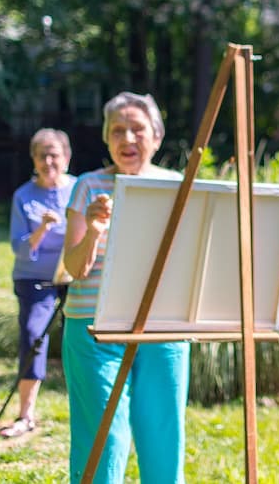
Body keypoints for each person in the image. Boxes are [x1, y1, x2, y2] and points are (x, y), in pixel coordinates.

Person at [62, 92, 190, 483]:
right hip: (92, 328)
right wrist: (94, 231)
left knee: (163, 437)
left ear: (156, 136)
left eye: (137, 129)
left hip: (163, 328)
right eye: (118, 130)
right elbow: (73, 268)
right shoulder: (88, 186)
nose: (127, 138)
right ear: (106, 138)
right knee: (104, 439)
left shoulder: (178, 186)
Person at [2, 128, 76, 438]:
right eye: (42, 155)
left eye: (54, 154)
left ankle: (91, 409)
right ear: (33, 159)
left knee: (87, 337)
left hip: (74, 276)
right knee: (33, 335)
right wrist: (42, 229)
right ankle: (26, 415)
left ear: (66, 157)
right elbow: (18, 247)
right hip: (34, 279)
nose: (48, 161)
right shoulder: (24, 196)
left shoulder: (78, 189)